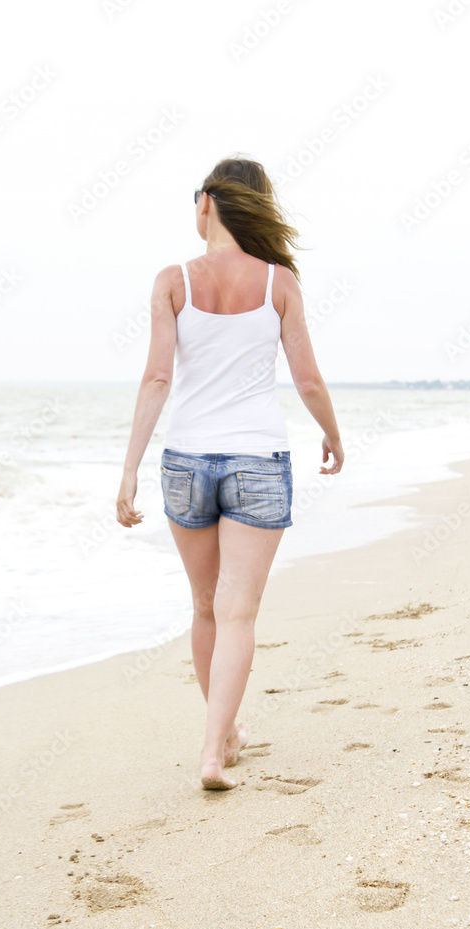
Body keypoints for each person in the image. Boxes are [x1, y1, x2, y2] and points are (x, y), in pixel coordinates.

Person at [116, 155, 344, 790]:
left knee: (205, 609)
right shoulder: (280, 283)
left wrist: (130, 469)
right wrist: (331, 431)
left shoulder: (172, 281)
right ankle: (215, 750)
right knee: (238, 613)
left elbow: (158, 377)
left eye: (197, 196)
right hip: (257, 461)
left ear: (210, 202)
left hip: (186, 461)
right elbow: (307, 377)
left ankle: (224, 737)